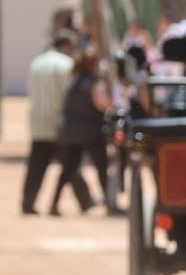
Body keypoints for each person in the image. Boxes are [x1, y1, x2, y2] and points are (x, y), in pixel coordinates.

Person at [21, 32, 93, 215]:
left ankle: (27, 203)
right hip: (60, 125)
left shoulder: (36, 63)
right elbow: (69, 97)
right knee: (71, 165)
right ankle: (86, 201)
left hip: (37, 123)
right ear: (67, 47)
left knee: (35, 168)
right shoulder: (66, 65)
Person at [49, 48, 118, 217]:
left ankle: (53, 204)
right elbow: (103, 104)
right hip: (91, 132)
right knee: (102, 168)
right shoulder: (95, 82)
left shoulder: (73, 81)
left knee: (67, 171)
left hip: (70, 132)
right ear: (93, 64)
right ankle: (110, 205)